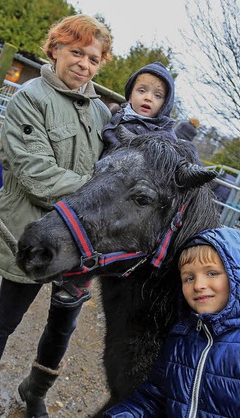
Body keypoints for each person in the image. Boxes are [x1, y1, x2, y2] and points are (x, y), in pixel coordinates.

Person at [0, 14, 113, 418]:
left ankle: (36, 392)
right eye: (76, 52)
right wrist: (100, 194)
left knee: (63, 326)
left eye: (94, 59)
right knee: (5, 317)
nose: (84, 64)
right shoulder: (30, 98)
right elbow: (36, 175)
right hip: (33, 232)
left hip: (79, 244)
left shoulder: (102, 114)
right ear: (56, 49)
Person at [104, 226, 240, 417]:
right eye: (189, 277)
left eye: (212, 273)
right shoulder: (181, 336)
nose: (198, 285)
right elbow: (155, 397)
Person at [55, 61, 188, 306]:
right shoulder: (117, 118)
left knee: (99, 234)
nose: (148, 98)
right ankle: (63, 263)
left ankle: (79, 280)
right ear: (130, 93)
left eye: (157, 95)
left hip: (127, 195)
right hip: (101, 183)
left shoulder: (164, 134)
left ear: (165, 104)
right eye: (142, 91)